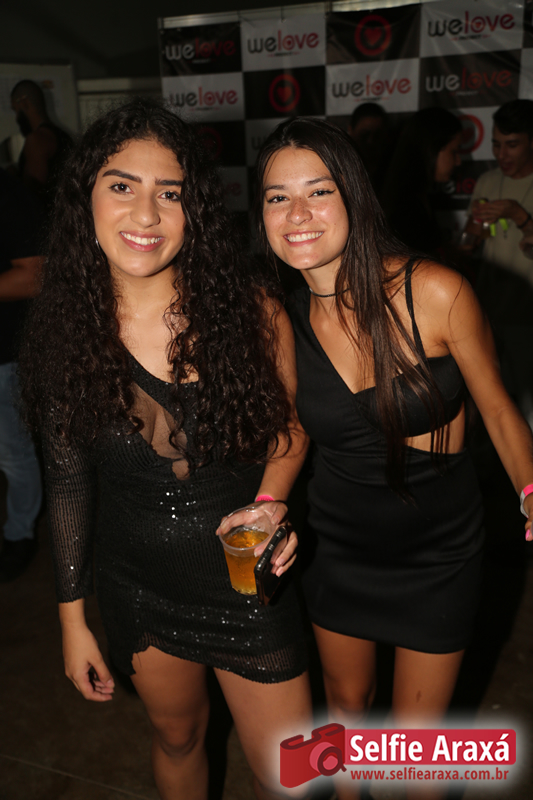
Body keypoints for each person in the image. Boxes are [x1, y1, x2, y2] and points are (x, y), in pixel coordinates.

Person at [18, 99, 311, 800]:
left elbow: (289, 431)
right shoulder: (64, 334)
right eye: (122, 185)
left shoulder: (249, 309)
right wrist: (72, 622)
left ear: (194, 210)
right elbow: (67, 484)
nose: (146, 214)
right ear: (86, 199)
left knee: (293, 772)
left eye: (169, 193)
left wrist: (270, 504)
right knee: (177, 737)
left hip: (245, 583)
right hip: (140, 589)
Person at [254, 117, 533, 800]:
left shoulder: (434, 291)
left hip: (440, 549)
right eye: (277, 197)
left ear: (352, 194)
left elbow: (499, 410)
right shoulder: (281, 317)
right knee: (346, 711)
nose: (297, 214)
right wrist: (264, 506)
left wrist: (530, 491)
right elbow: (292, 431)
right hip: (340, 546)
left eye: (318, 191)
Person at [466, 100, 533, 425]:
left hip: (529, 315)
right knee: (491, 405)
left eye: (512, 144)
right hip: (490, 313)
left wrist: (519, 216)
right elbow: (470, 243)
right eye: (496, 144)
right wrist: (473, 233)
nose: (501, 154)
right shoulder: (488, 181)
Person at [0, 167, 43, 582]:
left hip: (4, 354)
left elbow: (33, 275)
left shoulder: (5, 189)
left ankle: (19, 534)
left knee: (13, 454)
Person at [381, 107, 462, 258]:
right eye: (454, 151)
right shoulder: (404, 206)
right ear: (433, 148)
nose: (458, 161)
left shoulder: (413, 195)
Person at [10, 79, 72, 201]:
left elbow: (31, 193)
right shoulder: (64, 136)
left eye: (15, 110)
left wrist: (11, 178)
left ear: (24, 103)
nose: (16, 117)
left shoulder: (37, 140)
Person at [348, 102, 388, 191]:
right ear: (350, 130)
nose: (370, 141)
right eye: (364, 134)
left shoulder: (391, 169)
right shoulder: (342, 168)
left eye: (377, 135)